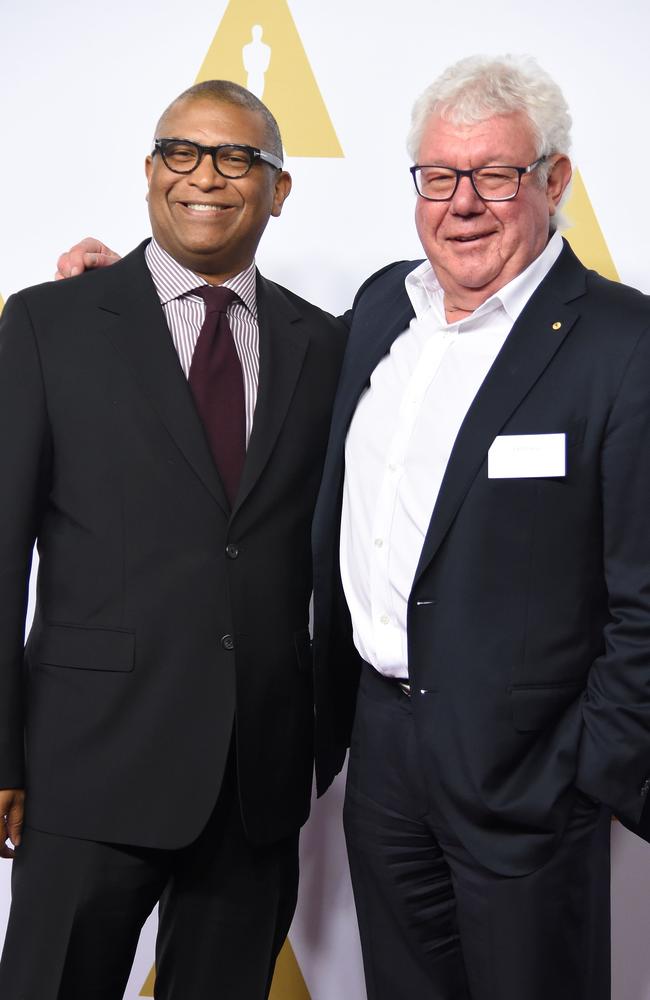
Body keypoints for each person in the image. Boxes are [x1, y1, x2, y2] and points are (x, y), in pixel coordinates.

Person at [311, 54, 650, 1000]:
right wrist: (129, 296)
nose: (463, 203)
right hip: (382, 757)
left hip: (531, 775)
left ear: (553, 179)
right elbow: (274, 358)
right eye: (438, 177)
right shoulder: (385, 305)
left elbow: (646, 594)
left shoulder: (624, 346)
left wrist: (591, 771)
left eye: (495, 175)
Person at [0, 79, 346, 999]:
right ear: (151, 172)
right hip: (84, 768)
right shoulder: (47, 323)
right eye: (183, 153)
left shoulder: (331, 348)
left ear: (279, 189)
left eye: (239, 158)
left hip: (255, 783)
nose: (207, 177)